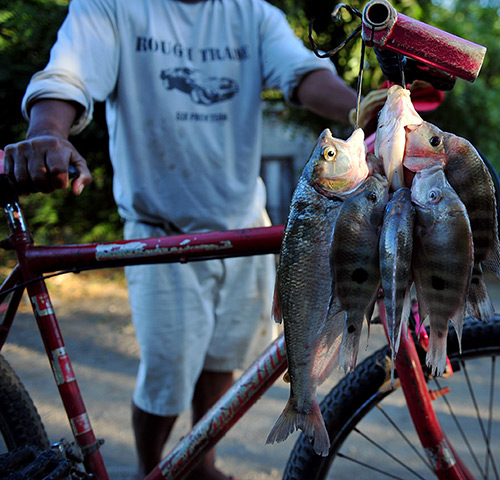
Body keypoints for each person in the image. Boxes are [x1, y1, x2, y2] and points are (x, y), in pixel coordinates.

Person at [3, 1, 358, 478]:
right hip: (161, 234)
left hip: (243, 226)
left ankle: (200, 463)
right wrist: (47, 132)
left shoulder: (250, 12)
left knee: (222, 358)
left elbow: (303, 73)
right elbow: (68, 73)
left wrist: (369, 111)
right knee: (166, 379)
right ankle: (152, 470)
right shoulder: (114, 7)